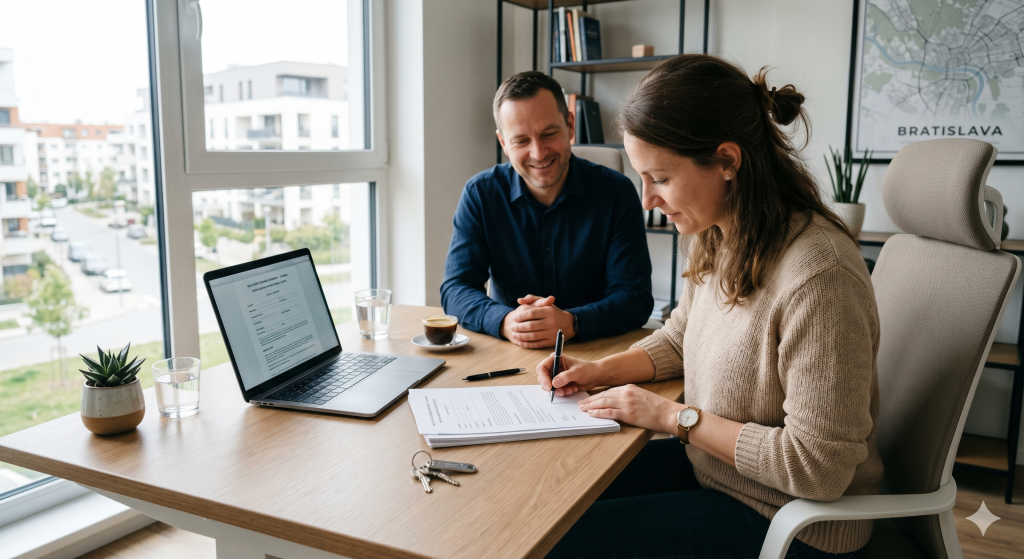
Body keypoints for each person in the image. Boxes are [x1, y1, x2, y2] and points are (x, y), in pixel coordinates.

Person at [538, 55, 883, 558]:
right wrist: (597, 371)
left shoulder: (820, 276)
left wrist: (671, 416)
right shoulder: (722, 233)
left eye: (659, 178)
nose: (646, 199)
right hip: (719, 477)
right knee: (553, 502)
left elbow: (818, 468)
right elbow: (681, 337)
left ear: (727, 161)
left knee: (560, 545)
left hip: (796, 527)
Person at [441, 71, 653, 349]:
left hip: (596, 350)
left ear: (570, 125)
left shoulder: (616, 193)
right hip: (510, 351)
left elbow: (635, 296)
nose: (539, 153)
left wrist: (572, 322)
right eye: (521, 141)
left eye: (549, 134)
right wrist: (505, 321)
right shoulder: (480, 194)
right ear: (503, 143)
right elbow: (456, 289)